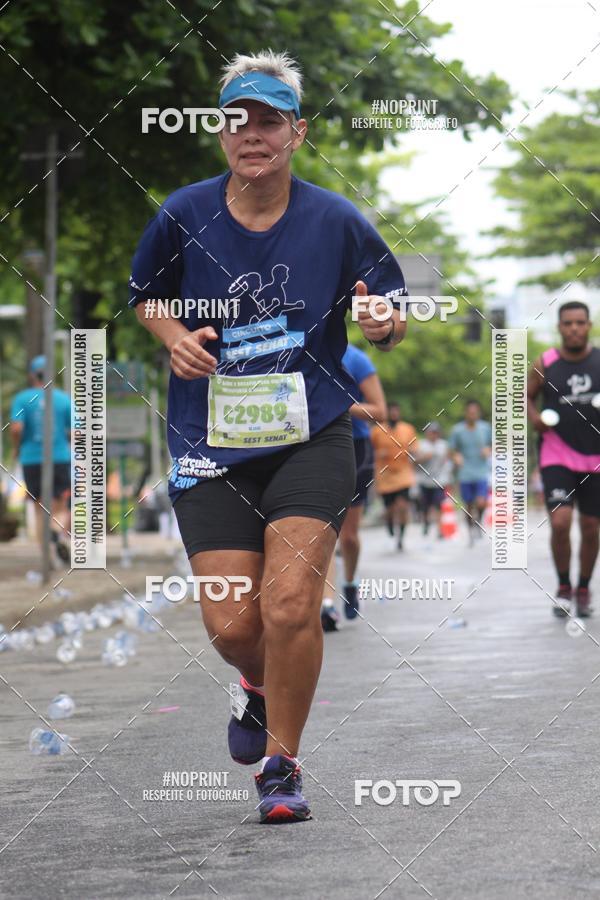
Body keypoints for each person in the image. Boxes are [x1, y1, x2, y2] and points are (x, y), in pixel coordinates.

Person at [129, 50, 408, 824]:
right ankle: (253, 684)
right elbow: (146, 298)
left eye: (269, 120)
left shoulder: (337, 219)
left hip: (310, 435)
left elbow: (386, 307)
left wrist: (384, 323)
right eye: (237, 120)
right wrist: (171, 336)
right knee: (233, 626)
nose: (252, 133)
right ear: (222, 133)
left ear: (296, 132)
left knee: (289, 604)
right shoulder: (184, 213)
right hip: (207, 444)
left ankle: (282, 766)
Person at [527, 301, 600, 618]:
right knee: (560, 522)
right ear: (559, 327)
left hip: (595, 457)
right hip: (556, 453)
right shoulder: (546, 361)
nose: (574, 328)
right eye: (568, 323)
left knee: (591, 526)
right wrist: (535, 419)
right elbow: (523, 395)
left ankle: (583, 588)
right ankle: (563, 587)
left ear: (589, 326)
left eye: (580, 322)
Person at [320, 343, 386, 626]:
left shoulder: (356, 358)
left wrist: (342, 404)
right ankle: (326, 604)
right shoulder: (299, 347)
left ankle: (350, 582)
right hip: (313, 447)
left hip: (355, 446)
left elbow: (379, 411)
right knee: (323, 532)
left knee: (348, 536)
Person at [9, 355, 71, 565]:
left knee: (37, 507)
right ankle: (55, 531)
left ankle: (46, 558)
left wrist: (18, 448)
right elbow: (76, 431)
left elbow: (16, 428)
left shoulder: (22, 398)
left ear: (31, 375)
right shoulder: (63, 399)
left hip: (31, 458)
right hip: (59, 457)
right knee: (61, 505)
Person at [370, 402, 418, 550]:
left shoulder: (408, 429)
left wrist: (413, 453)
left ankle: (401, 538)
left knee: (403, 506)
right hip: (385, 475)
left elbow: (415, 448)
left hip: (403, 474)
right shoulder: (377, 431)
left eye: (397, 412)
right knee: (390, 509)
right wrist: (378, 454)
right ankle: (390, 523)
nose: (394, 414)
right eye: (392, 412)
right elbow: (369, 452)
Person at [448, 399, 492, 544]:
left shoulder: (485, 428)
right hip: (465, 472)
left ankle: (478, 520)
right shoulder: (457, 430)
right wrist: (456, 457)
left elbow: (493, 444)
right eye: (470, 412)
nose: (472, 415)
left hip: (481, 471)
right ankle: (470, 531)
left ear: (478, 413)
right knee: (468, 504)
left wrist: (488, 450)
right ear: (466, 414)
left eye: (475, 412)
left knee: (481, 502)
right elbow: (451, 451)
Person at [416, 422, 452, 538]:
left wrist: (448, 478)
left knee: (438, 505)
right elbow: (414, 462)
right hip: (424, 480)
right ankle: (426, 523)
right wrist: (425, 457)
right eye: (431, 433)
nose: (433, 435)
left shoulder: (444, 445)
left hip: (439, 480)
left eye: (436, 433)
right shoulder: (421, 445)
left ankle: (439, 529)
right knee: (425, 506)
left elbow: (448, 461)